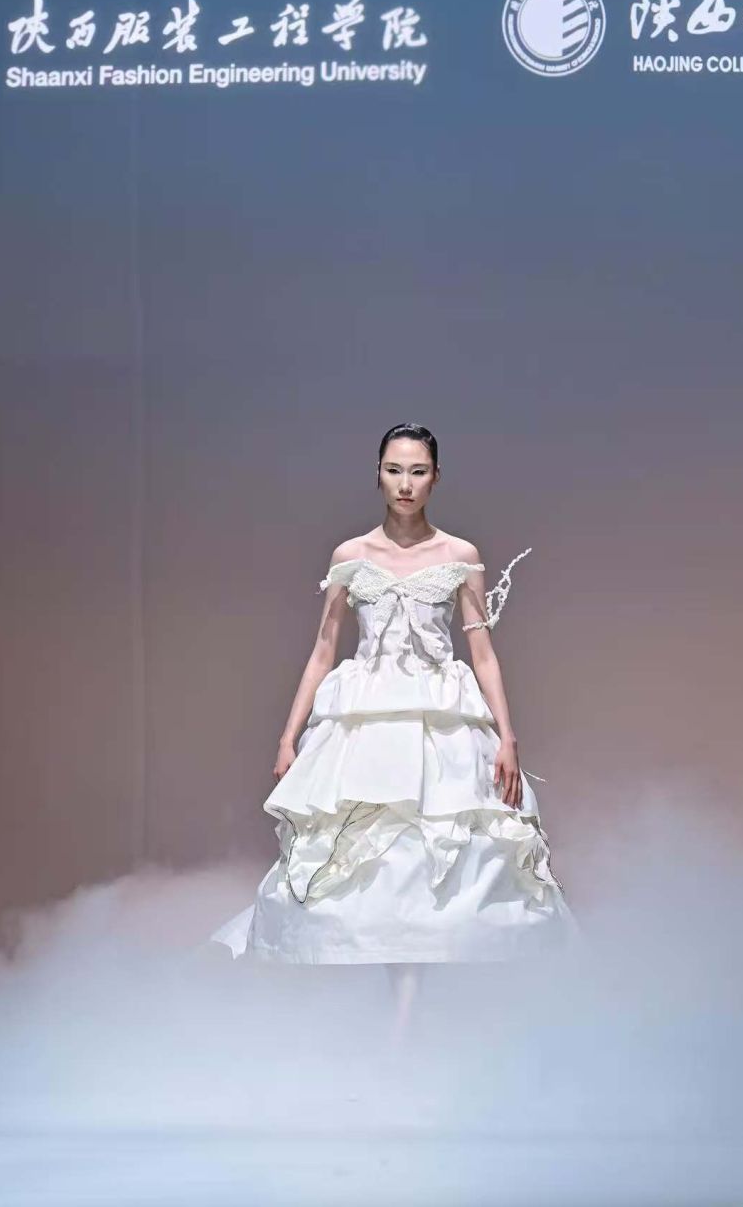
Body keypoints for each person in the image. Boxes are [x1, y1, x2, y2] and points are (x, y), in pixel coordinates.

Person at [213, 423, 576, 1036]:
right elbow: (324, 650)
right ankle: (391, 1023)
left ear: (436, 477)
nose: (405, 484)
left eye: (417, 471)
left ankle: (405, 1025)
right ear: (378, 474)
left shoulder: (459, 555)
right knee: (372, 870)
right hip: (367, 719)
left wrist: (508, 738)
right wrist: (287, 736)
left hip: (439, 721)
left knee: (432, 867)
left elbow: (483, 654)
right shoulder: (350, 557)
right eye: (394, 470)